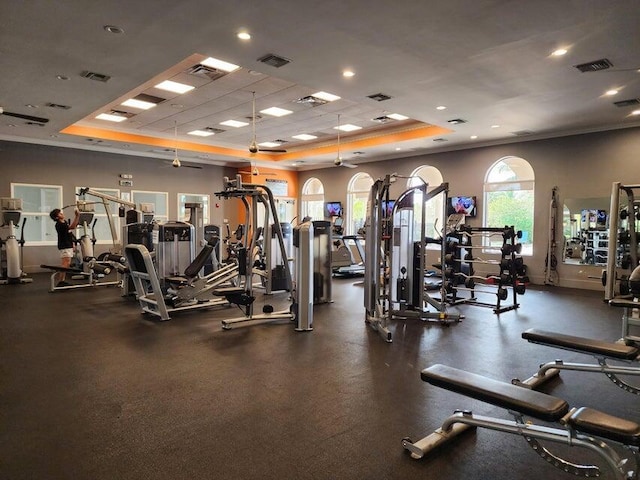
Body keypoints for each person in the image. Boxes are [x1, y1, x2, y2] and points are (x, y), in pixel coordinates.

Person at [49, 206, 80, 287]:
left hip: (68, 245)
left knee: (67, 263)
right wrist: (77, 216)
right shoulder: (59, 224)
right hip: (64, 246)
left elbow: (69, 233)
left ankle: (62, 281)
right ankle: (60, 281)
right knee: (65, 263)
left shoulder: (64, 222)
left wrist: (72, 243)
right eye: (59, 213)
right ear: (56, 217)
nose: (62, 213)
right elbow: (73, 227)